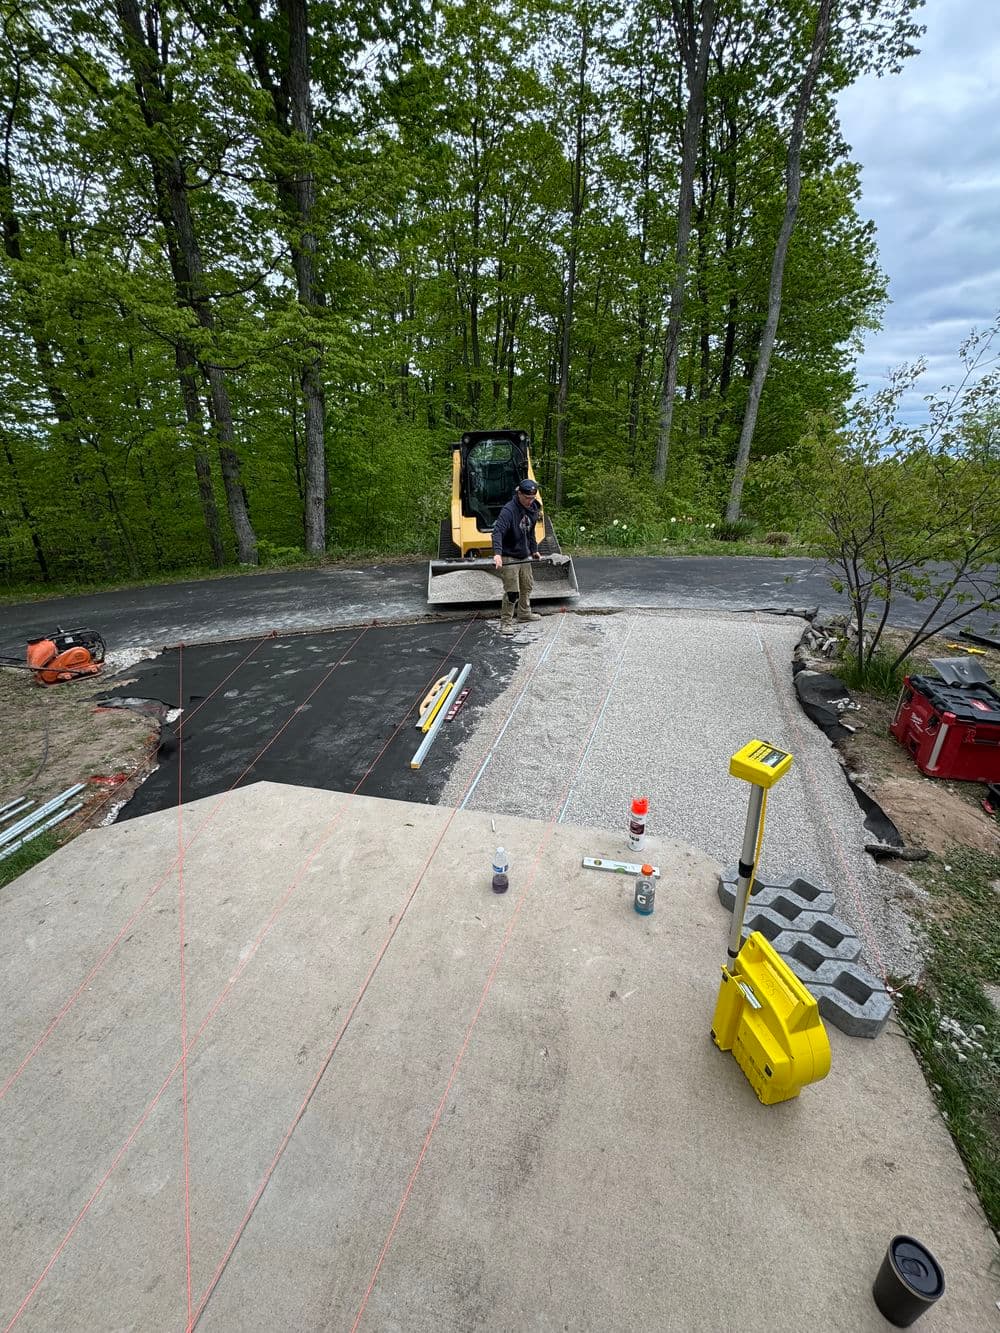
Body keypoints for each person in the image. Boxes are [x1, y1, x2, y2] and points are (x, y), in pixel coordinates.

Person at [492, 478, 543, 633]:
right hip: (509, 555)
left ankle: (524, 613)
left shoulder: (534, 508)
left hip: (524, 554)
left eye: (532, 498)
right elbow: (497, 532)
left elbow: (531, 531)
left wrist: (534, 550)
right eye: (527, 498)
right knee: (512, 592)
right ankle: (506, 622)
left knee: (527, 586)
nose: (530, 501)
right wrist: (498, 554)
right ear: (519, 493)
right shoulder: (509, 510)